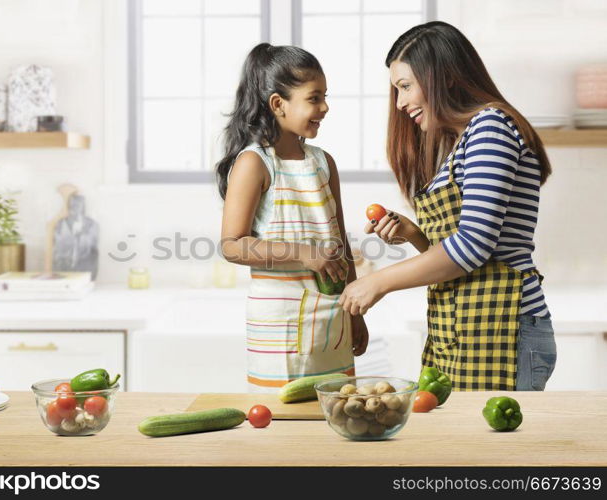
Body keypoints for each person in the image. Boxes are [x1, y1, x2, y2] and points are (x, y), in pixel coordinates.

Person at [339, 21, 556, 391]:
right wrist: (415, 235)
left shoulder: (491, 126)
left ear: (446, 76)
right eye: (396, 90)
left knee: (491, 448)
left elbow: (473, 247)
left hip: (502, 325)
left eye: (405, 86)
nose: (400, 102)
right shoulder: (464, 140)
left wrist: (379, 282)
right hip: (467, 326)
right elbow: (466, 257)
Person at [218, 43, 369, 392]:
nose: (325, 107)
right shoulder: (254, 163)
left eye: (325, 97)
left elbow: (341, 242)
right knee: (281, 423)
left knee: (335, 414)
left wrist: (356, 313)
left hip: (333, 320)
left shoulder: (323, 162)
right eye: (314, 98)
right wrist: (304, 253)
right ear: (278, 104)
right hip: (278, 328)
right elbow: (232, 245)